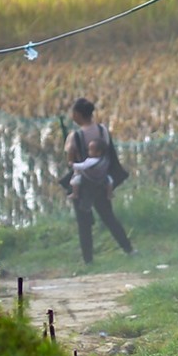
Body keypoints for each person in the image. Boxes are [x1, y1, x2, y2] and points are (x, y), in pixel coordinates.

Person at [63, 97, 131, 263]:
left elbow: (70, 158)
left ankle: (88, 260)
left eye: (73, 113)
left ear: (78, 114)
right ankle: (129, 249)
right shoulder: (103, 130)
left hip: (83, 184)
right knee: (109, 217)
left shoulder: (75, 136)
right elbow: (108, 152)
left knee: (84, 222)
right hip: (101, 181)